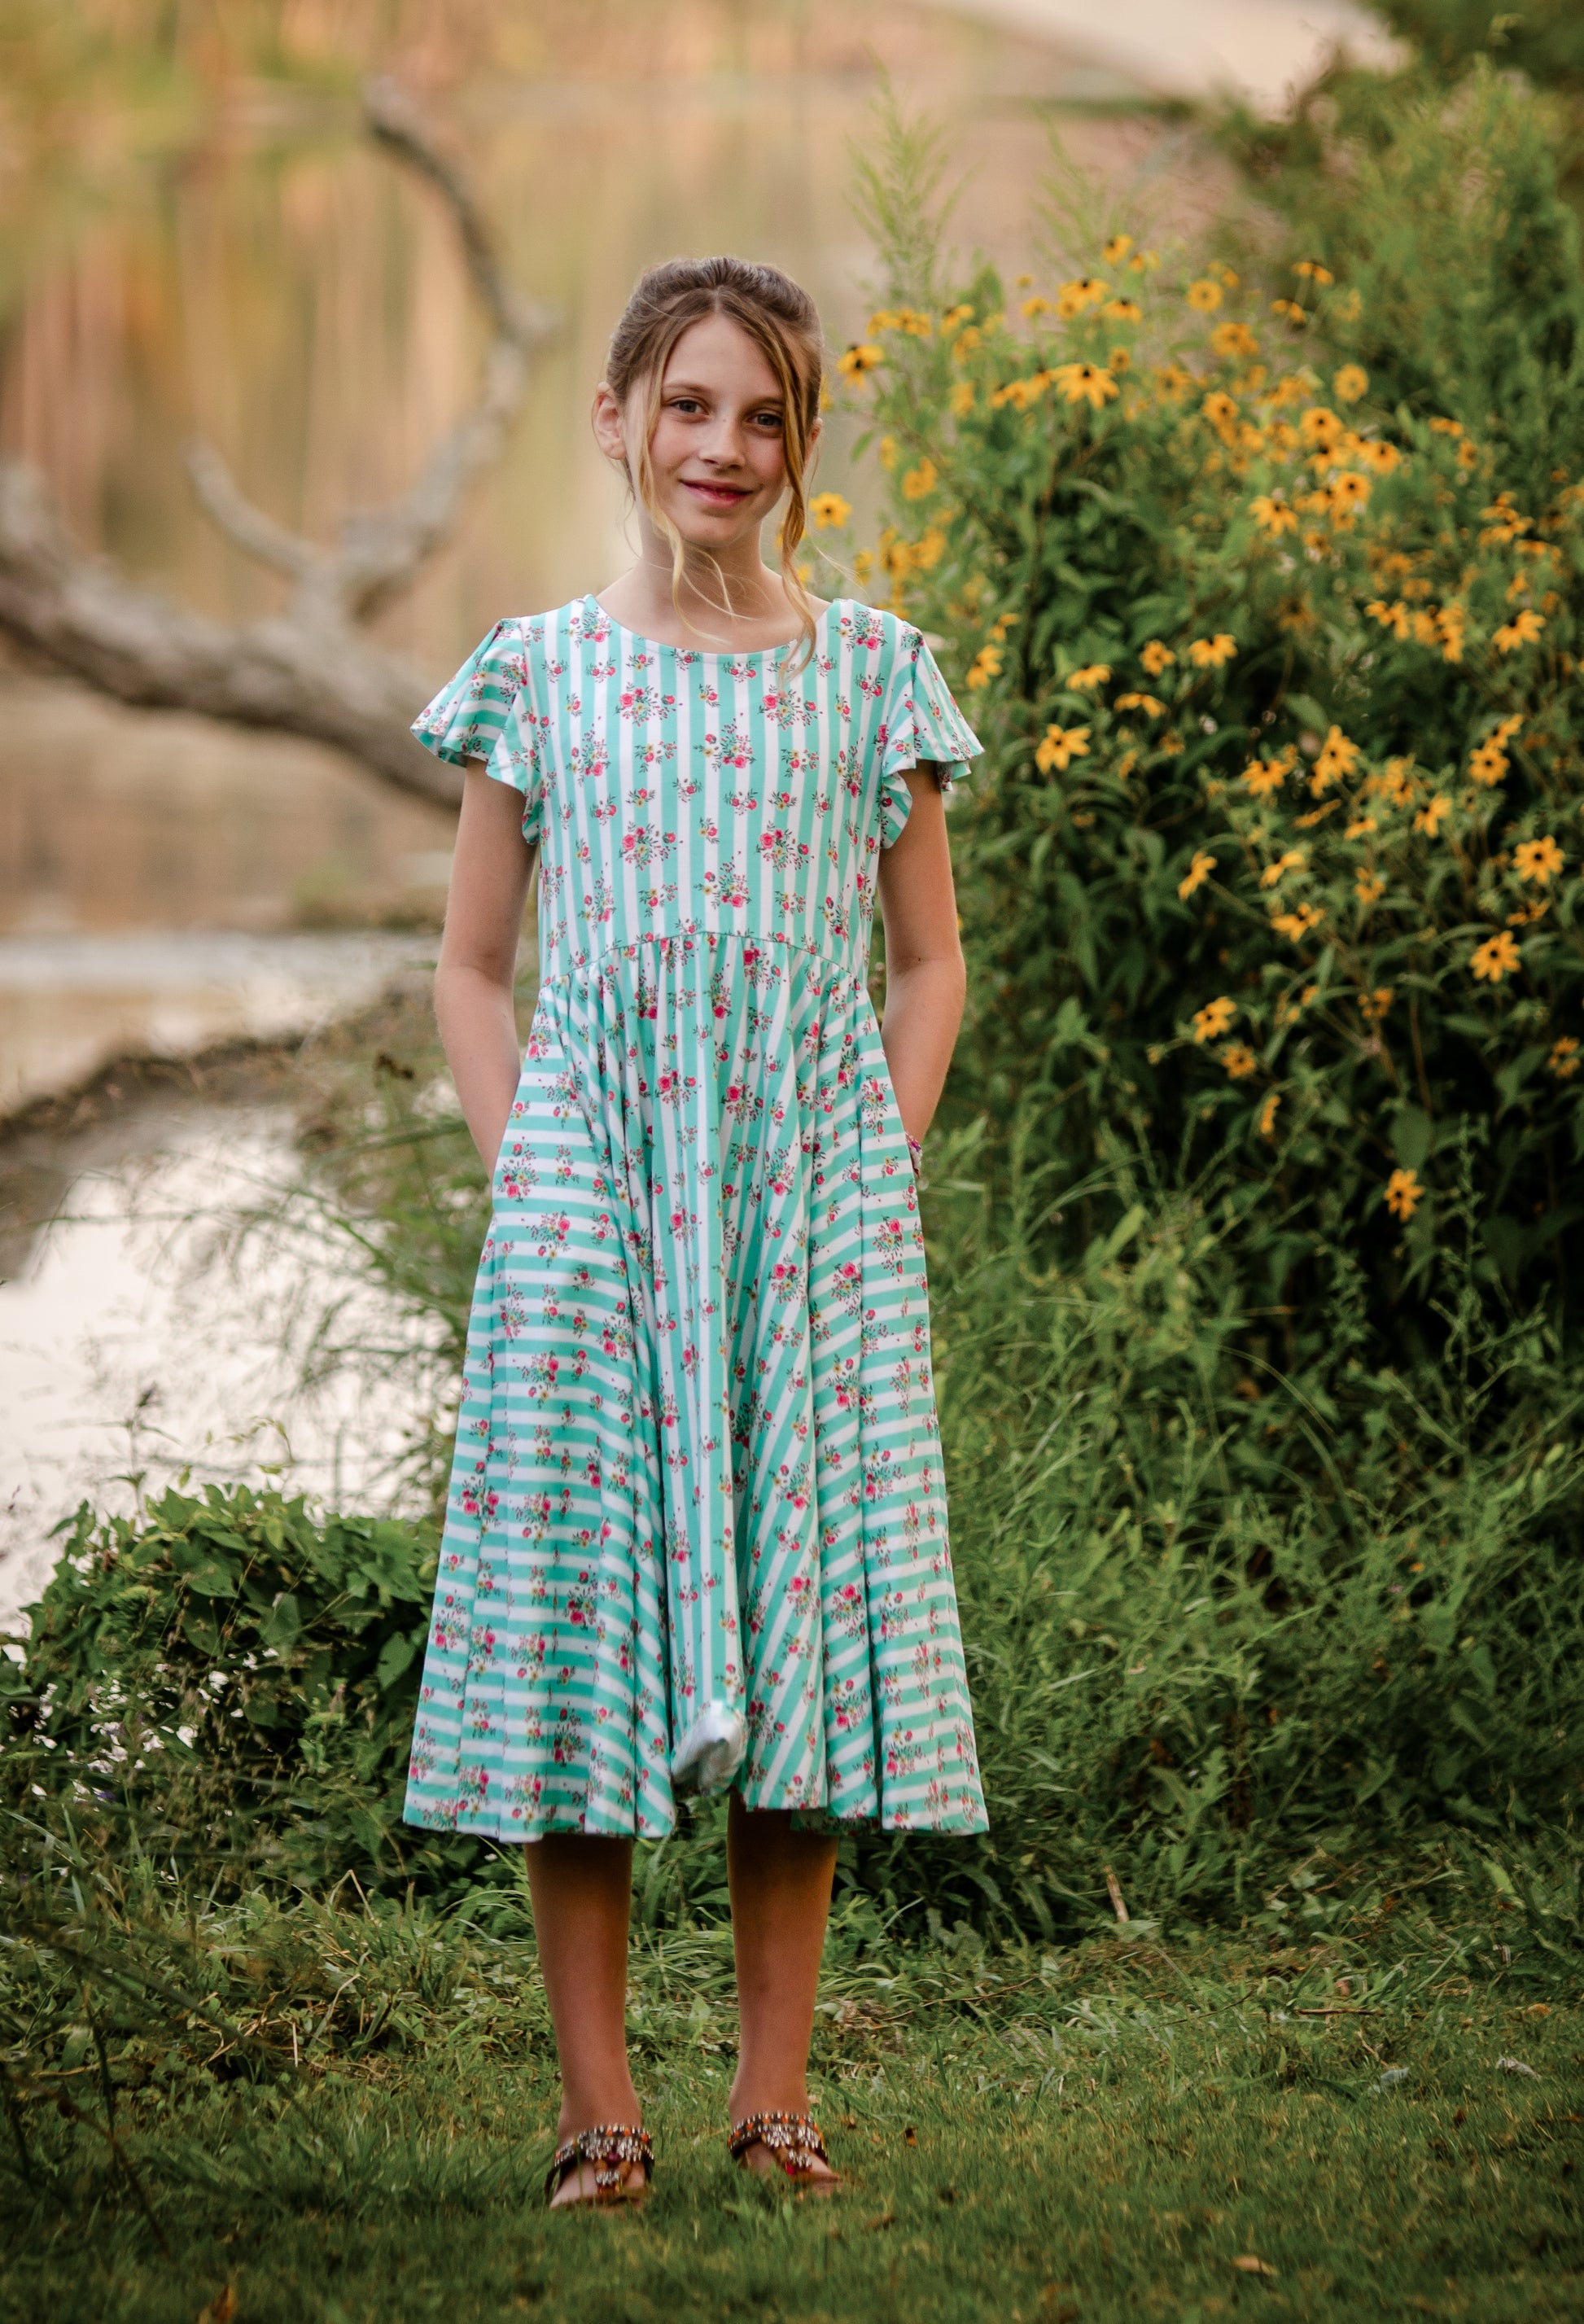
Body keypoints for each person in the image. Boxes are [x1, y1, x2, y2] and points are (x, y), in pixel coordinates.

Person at [402, 255, 987, 2207]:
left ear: (802, 444)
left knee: (797, 1644)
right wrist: (534, 1177)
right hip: (591, 1217)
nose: (722, 447)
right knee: (585, 1646)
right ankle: (598, 2113)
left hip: (805, 1223)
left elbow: (927, 964)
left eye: (763, 416)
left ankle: (771, 2097)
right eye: (687, 404)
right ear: (617, 418)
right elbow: (471, 967)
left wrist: (870, 1161)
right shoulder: (541, 672)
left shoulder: (870, 672)